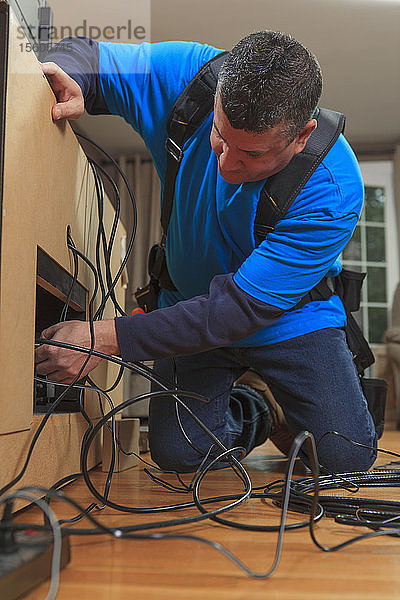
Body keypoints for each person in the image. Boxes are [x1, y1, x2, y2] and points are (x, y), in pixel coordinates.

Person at [35, 31, 377, 474]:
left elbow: (238, 310)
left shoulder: (332, 187)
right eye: (220, 134)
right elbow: (83, 53)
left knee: (344, 459)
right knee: (179, 456)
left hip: (286, 318)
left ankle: (279, 399)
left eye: (253, 153)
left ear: (300, 136)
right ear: (217, 97)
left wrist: (102, 339)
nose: (226, 163)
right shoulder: (189, 76)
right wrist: (71, 76)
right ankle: (260, 407)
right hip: (187, 307)